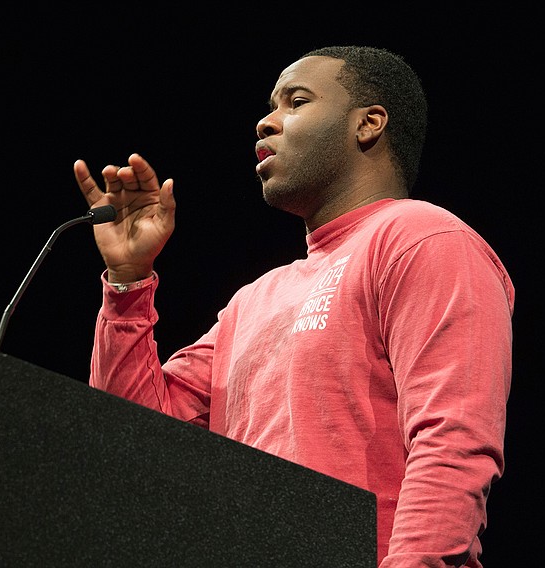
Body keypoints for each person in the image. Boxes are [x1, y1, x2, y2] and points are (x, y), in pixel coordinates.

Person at [72, 45, 514, 567]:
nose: (265, 122)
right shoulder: (253, 301)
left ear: (368, 123)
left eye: (295, 102)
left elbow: (453, 443)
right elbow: (137, 441)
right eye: (270, 106)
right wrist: (128, 282)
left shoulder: (421, 239)